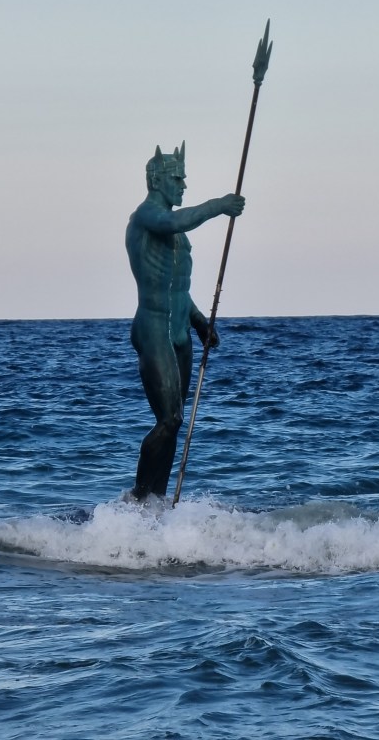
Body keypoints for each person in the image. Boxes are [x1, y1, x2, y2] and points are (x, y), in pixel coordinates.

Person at [125, 142, 245, 500]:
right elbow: (176, 219)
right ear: (156, 180)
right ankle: (138, 498)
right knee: (169, 420)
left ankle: (157, 504)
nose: (183, 185)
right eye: (177, 178)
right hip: (153, 328)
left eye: (183, 178)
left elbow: (178, 289)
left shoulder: (177, 236)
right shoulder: (147, 217)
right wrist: (218, 206)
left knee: (176, 422)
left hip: (179, 330)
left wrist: (199, 322)